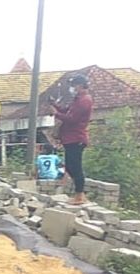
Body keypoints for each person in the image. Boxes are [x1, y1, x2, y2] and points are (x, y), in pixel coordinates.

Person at [50, 74, 93, 205]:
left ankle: (80, 195)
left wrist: (56, 114)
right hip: (69, 138)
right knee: (69, 166)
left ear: (80, 86)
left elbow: (72, 119)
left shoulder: (85, 100)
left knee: (76, 167)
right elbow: (66, 111)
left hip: (76, 137)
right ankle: (79, 194)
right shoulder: (77, 99)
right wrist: (55, 105)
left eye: (74, 85)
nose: (72, 88)